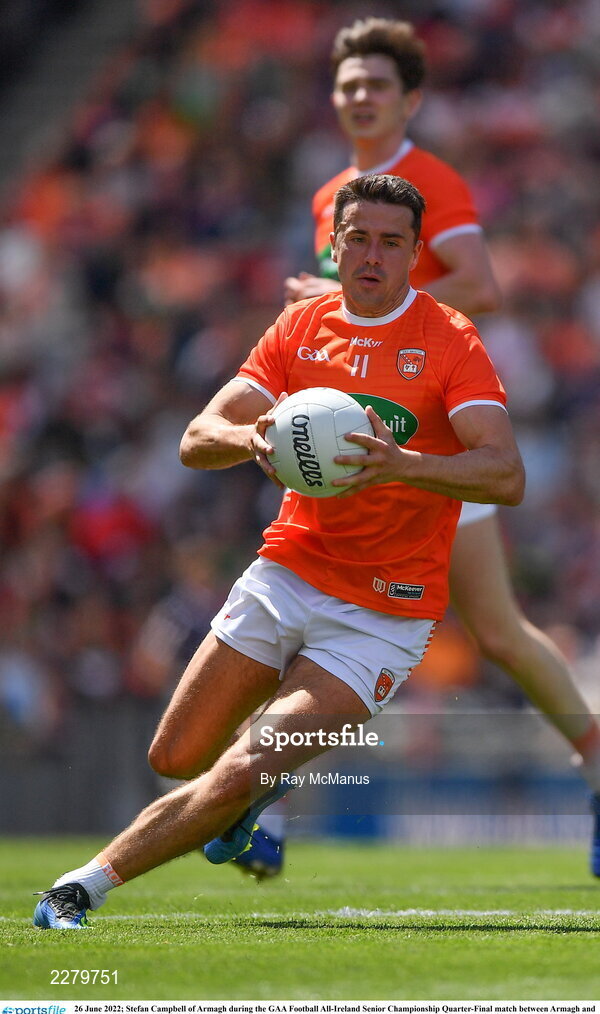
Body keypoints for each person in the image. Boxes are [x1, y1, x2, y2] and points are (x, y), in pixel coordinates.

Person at [33, 174, 524, 928]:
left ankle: (82, 886)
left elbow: (505, 473)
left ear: (414, 253)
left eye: (391, 242)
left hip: (382, 616)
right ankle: (247, 800)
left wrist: (404, 464)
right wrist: (252, 438)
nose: (372, 255)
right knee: (175, 757)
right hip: (287, 574)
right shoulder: (300, 327)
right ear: (334, 245)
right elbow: (197, 437)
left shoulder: (450, 338)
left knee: (245, 763)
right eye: (357, 238)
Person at [241, 16, 600, 881]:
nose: (359, 96)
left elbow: (483, 286)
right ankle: (263, 808)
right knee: (309, 606)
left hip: (430, 441)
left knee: (497, 633)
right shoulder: (332, 193)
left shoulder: (430, 181)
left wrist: (339, 289)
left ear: (410, 99)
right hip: (354, 442)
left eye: (377, 84)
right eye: (348, 84)